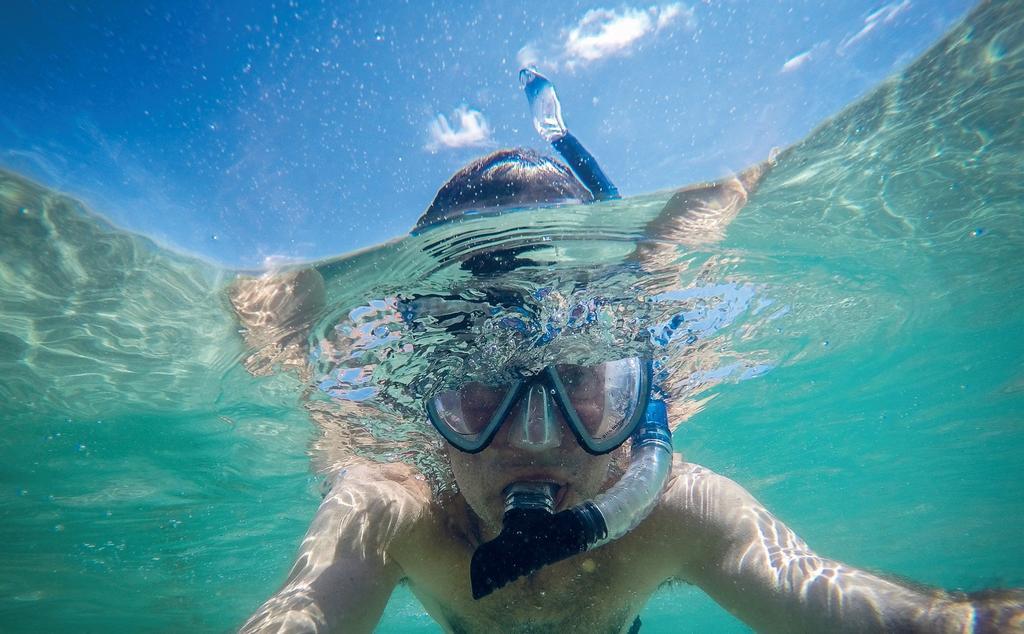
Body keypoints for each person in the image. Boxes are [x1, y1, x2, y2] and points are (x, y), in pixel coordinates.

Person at [237, 70, 1023, 633]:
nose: (531, 440)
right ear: (429, 408)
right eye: (477, 390)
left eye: (582, 386)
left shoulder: (678, 511)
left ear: (640, 402)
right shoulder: (392, 511)